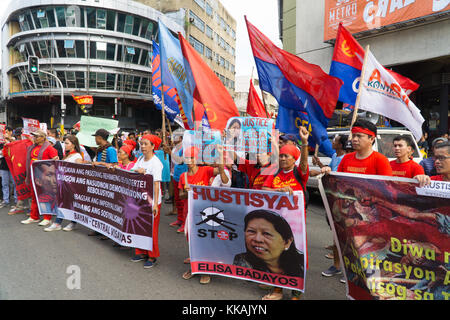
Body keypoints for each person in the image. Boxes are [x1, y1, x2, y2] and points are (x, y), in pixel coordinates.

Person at [322, 119, 393, 280]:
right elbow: (337, 184)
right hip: (347, 214)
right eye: (353, 136)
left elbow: (387, 190)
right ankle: (346, 271)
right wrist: (328, 173)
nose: (354, 139)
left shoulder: (380, 160)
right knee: (344, 244)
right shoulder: (346, 159)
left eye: (359, 136)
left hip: (370, 218)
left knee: (368, 251)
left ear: (371, 138)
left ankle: (367, 280)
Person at [261, 126, 309, 300]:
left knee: (296, 256)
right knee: (275, 255)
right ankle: (277, 290)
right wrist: (279, 190)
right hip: (276, 223)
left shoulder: (299, 173)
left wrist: (304, 143)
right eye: (280, 155)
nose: (282, 158)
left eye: (286, 156)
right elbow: (264, 189)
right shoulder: (274, 172)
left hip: (296, 224)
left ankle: (296, 293)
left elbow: (304, 164)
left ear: (293, 159)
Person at [180, 145, 228, 285]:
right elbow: (181, 196)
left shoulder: (205, 170)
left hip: (205, 214)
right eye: (187, 158)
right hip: (189, 212)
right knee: (192, 241)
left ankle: (206, 270)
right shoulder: (183, 176)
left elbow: (223, 176)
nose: (190, 161)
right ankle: (195, 267)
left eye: (192, 158)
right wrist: (187, 191)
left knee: (204, 240)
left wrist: (219, 156)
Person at [233, 209, 304, 277]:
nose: (257, 239)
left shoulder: (301, 263)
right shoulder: (242, 261)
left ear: (287, 242)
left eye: (266, 234)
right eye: (251, 231)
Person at [130, 134, 163, 269]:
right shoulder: (141, 159)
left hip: (152, 201)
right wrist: (138, 171)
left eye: (145, 144)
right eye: (141, 144)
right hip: (140, 199)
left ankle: (152, 255)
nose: (142, 146)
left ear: (153, 146)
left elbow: (156, 185)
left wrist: (155, 204)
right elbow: (133, 170)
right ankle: (141, 252)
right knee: (140, 226)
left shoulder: (156, 163)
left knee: (151, 229)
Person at [44, 135, 83, 232]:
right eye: (64, 143)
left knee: (71, 203)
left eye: (67, 143)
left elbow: (80, 170)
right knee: (63, 202)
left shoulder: (77, 156)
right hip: (63, 184)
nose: (65, 145)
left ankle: (70, 223)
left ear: (73, 145)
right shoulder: (68, 155)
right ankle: (59, 222)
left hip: (72, 185)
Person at [21, 130, 59, 225]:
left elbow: (55, 160)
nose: (35, 138)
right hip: (33, 176)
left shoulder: (49, 148)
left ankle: (47, 218)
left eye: (37, 136)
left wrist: (55, 158)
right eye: (34, 136)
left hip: (44, 177)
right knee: (34, 196)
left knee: (45, 196)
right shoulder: (32, 147)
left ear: (43, 137)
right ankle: (34, 216)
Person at [0, 126, 17, 209]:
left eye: (6, 131)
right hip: (3, 165)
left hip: (13, 165)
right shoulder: (1, 142)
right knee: (5, 184)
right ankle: (6, 200)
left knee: (14, 183)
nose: (5, 133)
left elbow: (16, 145)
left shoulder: (14, 140)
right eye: (4, 132)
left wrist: (9, 139)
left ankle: (17, 201)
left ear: (10, 132)